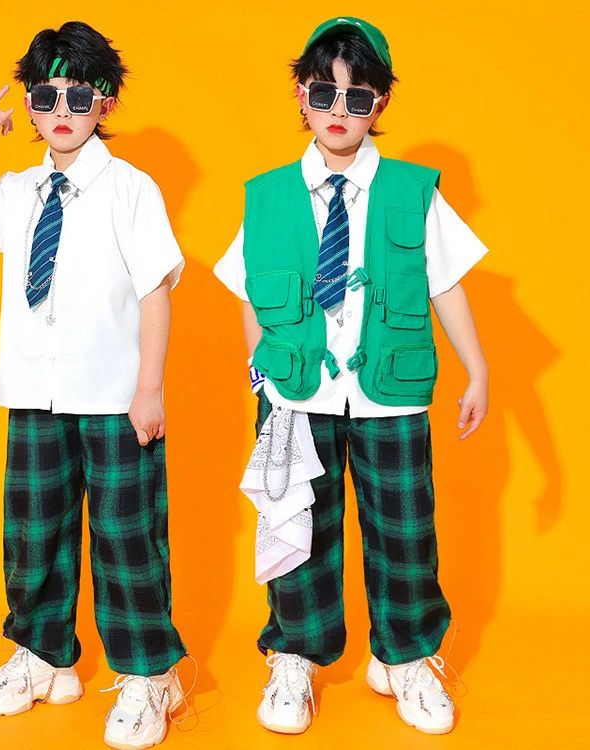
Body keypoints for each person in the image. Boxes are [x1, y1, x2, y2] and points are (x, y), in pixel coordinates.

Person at [214, 16, 489, 736]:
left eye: (357, 97)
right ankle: (295, 656)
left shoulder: (413, 191)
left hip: (389, 392)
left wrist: (478, 369)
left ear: (380, 103)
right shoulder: (267, 195)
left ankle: (408, 657)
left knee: (404, 531)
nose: (339, 110)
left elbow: (447, 283)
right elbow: (249, 293)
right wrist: (261, 380)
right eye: (323, 93)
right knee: (296, 527)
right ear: (300, 96)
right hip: (293, 392)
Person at [0, 20, 189, 750]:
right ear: (28, 102)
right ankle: (44, 657)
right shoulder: (18, 190)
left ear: (105, 103)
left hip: (114, 395)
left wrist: (150, 388)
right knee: (33, 533)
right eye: (46, 95)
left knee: (126, 537)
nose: (61, 111)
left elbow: (155, 291)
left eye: (79, 97)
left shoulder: (129, 189)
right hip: (33, 392)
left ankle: (149, 674)